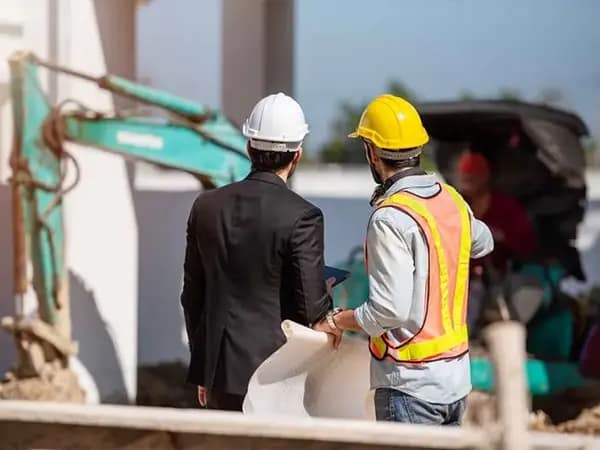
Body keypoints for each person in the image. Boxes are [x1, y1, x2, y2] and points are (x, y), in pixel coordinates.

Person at [323, 94, 494, 425]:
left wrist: (336, 320)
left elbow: (389, 311)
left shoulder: (391, 217)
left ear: (372, 153)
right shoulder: (452, 201)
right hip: (456, 384)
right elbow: (483, 241)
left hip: (411, 389)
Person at [180, 93, 337, 411]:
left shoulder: (206, 207)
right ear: (297, 154)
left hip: (219, 372)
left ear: (249, 147)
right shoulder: (303, 216)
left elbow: (192, 295)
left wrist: (204, 366)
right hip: (276, 373)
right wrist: (326, 296)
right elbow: (311, 307)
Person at [456, 152, 537, 274]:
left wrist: (501, 237)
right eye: (465, 180)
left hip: (507, 272)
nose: (467, 186)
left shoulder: (506, 206)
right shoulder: (456, 206)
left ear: (485, 177)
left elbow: (527, 242)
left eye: (472, 179)